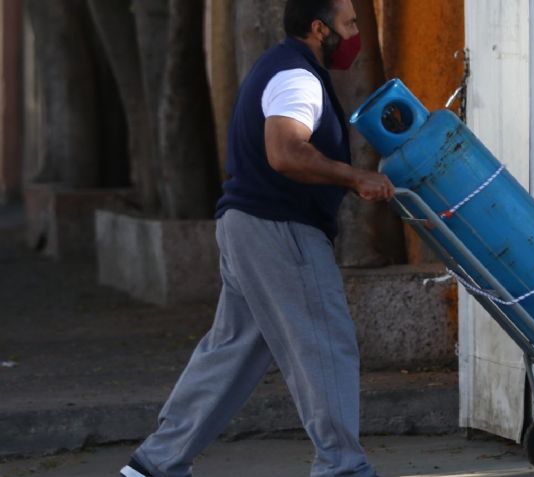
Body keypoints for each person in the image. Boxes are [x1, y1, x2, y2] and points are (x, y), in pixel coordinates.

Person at [120, 0, 392, 476]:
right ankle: (343, 469)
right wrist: (354, 177)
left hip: (247, 226)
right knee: (324, 344)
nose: (354, 35)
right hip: (280, 232)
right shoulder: (297, 77)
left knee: (230, 354)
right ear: (318, 28)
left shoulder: (280, 67)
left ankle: (153, 465)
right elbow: (285, 151)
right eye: (348, 24)